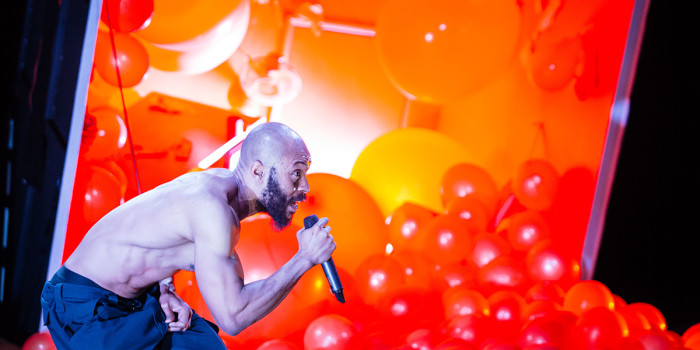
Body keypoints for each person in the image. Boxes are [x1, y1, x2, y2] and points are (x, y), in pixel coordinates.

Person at [41, 122, 336, 349]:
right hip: (85, 307)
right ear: (258, 172)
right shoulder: (214, 209)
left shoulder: (220, 188)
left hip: (135, 300)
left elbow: (155, 230)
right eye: (297, 173)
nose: (306, 187)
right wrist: (305, 259)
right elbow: (233, 316)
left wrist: (166, 288)